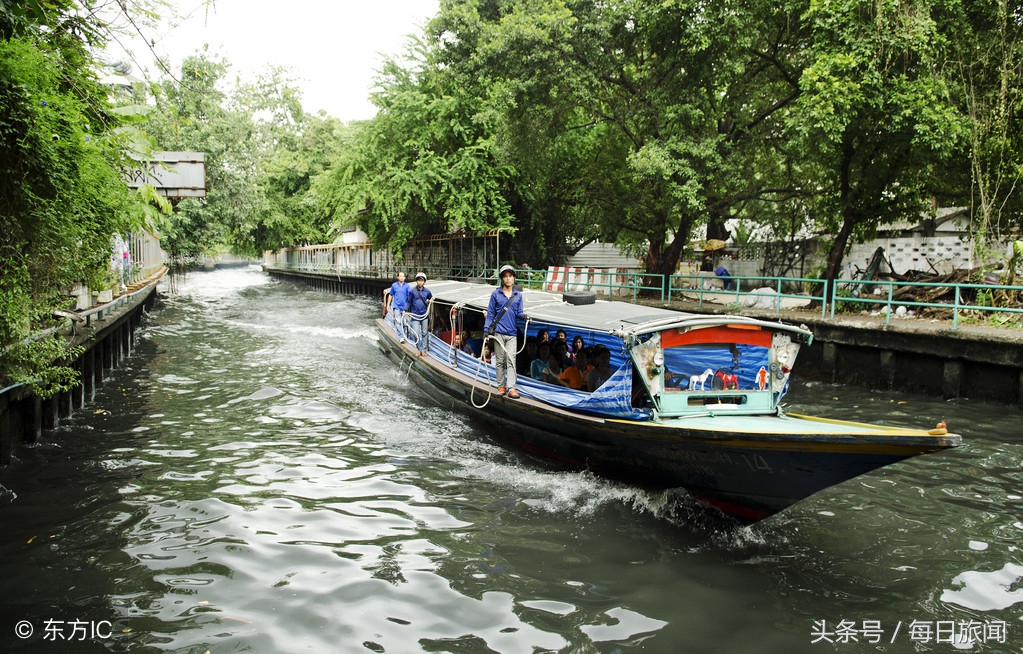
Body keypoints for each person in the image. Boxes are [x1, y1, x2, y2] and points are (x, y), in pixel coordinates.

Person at [483, 265, 525, 399]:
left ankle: (511, 388)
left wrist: (525, 316)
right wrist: (486, 330)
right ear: (502, 279)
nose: (508, 278)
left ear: (514, 278)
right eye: (505, 276)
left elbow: (519, 313)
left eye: (510, 276)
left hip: (512, 333)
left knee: (512, 361)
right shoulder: (496, 294)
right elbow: (490, 314)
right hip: (498, 332)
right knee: (500, 361)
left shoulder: (518, 295)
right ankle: (501, 386)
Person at [406, 272, 434, 356]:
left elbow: (431, 298)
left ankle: (424, 350)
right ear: (416, 281)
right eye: (418, 280)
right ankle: (419, 348)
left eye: (422, 280)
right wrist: (404, 310)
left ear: (424, 281)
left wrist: (431, 301)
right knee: (415, 333)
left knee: (424, 333)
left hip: (424, 315)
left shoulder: (427, 291)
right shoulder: (412, 291)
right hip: (415, 315)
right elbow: (408, 301)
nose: (420, 282)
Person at [383, 271, 410, 342]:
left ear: (405, 277)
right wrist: (388, 305)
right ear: (398, 277)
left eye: (402, 276)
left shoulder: (407, 286)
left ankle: (403, 335)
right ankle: (401, 337)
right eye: (400, 276)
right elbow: (391, 295)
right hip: (397, 306)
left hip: (404, 307)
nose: (401, 277)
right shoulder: (394, 285)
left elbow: (409, 297)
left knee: (404, 322)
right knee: (398, 322)